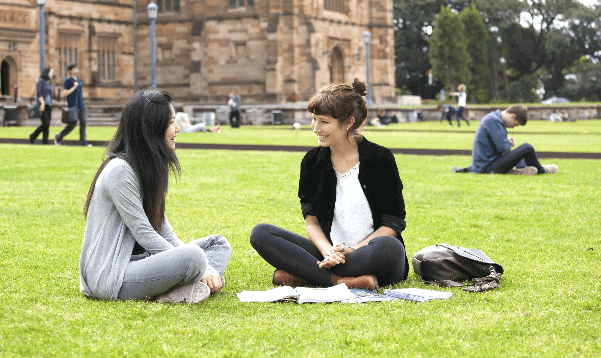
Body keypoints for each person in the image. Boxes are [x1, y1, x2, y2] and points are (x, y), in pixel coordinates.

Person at [250, 78, 408, 291]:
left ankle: (307, 275)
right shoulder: (311, 162)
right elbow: (311, 221)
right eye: (314, 119)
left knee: (390, 247)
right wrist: (327, 251)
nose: (315, 128)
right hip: (327, 253)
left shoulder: (381, 158)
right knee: (261, 233)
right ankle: (339, 282)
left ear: (349, 122)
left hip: (368, 253)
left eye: (324, 122)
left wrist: (352, 250)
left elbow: (393, 222)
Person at [79, 89, 231, 303]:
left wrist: (199, 265)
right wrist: (199, 265)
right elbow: (145, 235)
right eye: (171, 122)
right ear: (151, 128)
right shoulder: (120, 171)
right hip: (112, 276)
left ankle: (180, 287)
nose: (177, 128)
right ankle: (185, 286)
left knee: (218, 244)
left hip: (143, 262)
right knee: (194, 257)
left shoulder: (148, 168)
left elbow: (163, 231)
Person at [451, 104, 558, 176]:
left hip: (487, 164)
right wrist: (508, 142)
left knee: (520, 152)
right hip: (487, 167)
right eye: (515, 125)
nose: (512, 128)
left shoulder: (494, 119)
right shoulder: (494, 121)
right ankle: (543, 170)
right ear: (513, 116)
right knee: (527, 148)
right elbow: (503, 148)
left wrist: (505, 140)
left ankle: (521, 169)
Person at [55, 63, 91, 147]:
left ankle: (83, 142)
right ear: (70, 71)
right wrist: (74, 87)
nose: (76, 70)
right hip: (72, 105)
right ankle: (59, 136)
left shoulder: (79, 80)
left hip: (81, 105)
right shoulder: (68, 81)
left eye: (76, 69)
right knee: (72, 124)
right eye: (74, 69)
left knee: (83, 123)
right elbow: (64, 93)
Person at [29, 67, 54, 145]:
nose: (53, 74)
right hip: (42, 105)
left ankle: (45, 141)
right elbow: (39, 94)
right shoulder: (40, 82)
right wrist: (42, 103)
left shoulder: (49, 82)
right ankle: (33, 135)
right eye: (51, 72)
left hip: (48, 105)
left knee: (47, 124)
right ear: (47, 73)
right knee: (45, 123)